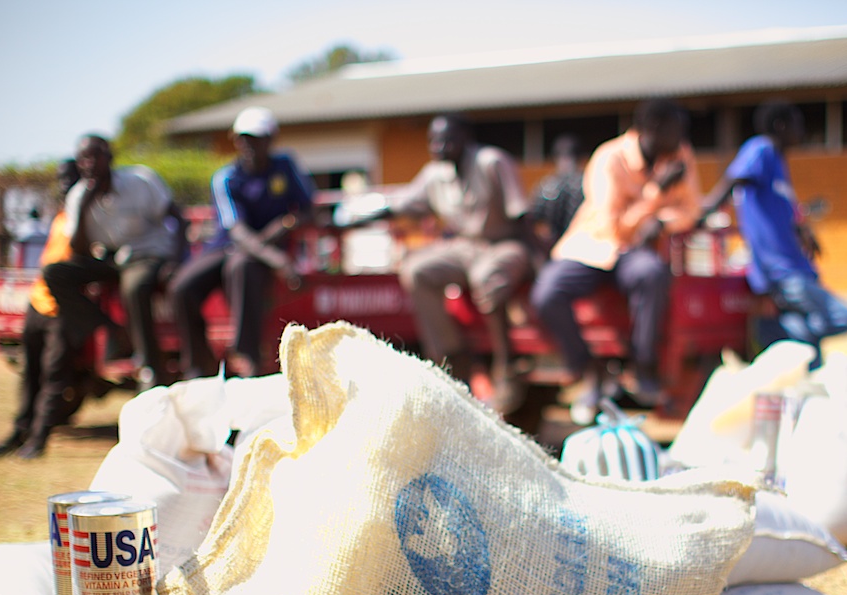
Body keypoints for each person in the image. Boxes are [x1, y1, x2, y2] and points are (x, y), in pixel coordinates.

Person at [335, 113, 540, 415]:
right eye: (433, 140)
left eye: (446, 139)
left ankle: (506, 365)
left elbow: (521, 216)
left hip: (504, 242)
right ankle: (452, 356)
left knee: (486, 276)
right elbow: (401, 205)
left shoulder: (491, 162)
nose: (437, 146)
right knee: (416, 271)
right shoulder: (435, 174)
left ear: (465, 139)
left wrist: (537, 261)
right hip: (464, 245)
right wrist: (356, 220)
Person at [530, 99, 701, 425]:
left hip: (634, 252)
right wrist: (655, 193)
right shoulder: (609, 158)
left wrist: (663, 222)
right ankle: (586, 368)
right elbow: (614, 225)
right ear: (652, 129)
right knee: (546, 293)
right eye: (677, 130)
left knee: (652, 274)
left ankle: (643, 365)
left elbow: (690, 210)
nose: (683, 138)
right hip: (593, 246)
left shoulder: (680, 155)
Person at [698, 100, 847, 368]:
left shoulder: (779, 166)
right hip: (781, 271)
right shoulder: (761, 149)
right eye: (796, 124)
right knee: (843, 317)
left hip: (796, 267)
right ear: (780, 126)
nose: (801, 131)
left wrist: (803, 231)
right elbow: (736, 178)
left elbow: (784, 212)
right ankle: (772, 330)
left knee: (810, 358)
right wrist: (705, 211)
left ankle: (792, 344)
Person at [0, 160, 111, 459]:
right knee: (31, 373)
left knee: (55, 377)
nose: (65, 184)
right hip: (38, 301)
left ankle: (37, 442)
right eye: (62, 179)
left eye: (71, 179)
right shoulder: (60, 217)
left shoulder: (93, 218)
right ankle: (19, 432)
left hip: (63, 308)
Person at [171, 106, 315, 379]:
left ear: (271, 139)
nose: (249, 145)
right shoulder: (226, 177)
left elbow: (307, 208)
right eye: (243, 139)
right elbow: (236, 231)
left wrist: (282, 227)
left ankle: (247, 355)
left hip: (254, 252)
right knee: (181, 287)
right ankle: (198, 364)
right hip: (228, 246)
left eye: (256, 138)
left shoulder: (285, 167)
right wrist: (279, 260)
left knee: (242, 266)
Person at [45, 134, 187, 390]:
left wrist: (176, 260)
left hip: (146, 254)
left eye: (94, 156)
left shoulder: (141, 180)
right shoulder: (78, 196)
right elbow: (79, 250)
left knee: (134, 287)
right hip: (108, 259)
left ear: (109, 157)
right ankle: (111, 330)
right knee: (55, 273)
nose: (88, 164)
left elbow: (177, 218)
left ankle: (150, 366)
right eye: (82, 159)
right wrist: (86, 204)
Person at [530, 133, 584, 253]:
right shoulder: (589, 182)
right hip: (577, 246)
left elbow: (531, 219)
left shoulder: (545, 184)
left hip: (558, 247)